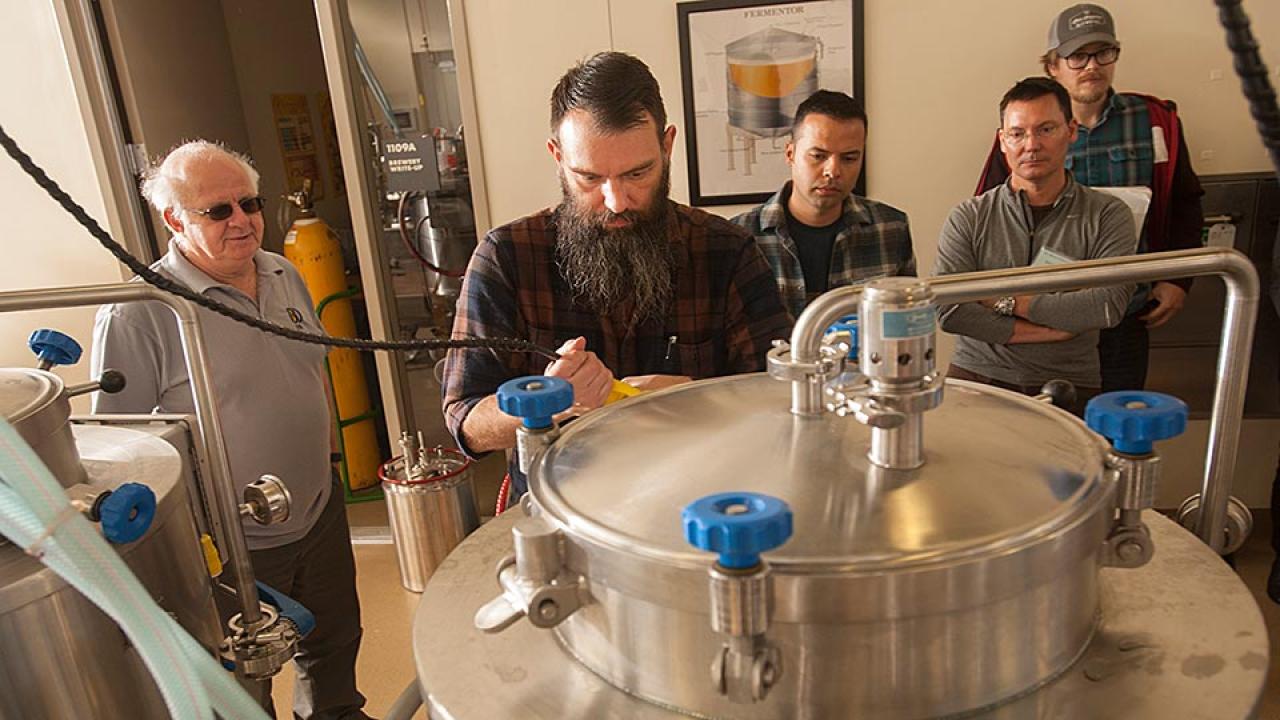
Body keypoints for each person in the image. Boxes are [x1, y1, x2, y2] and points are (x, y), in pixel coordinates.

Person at [90, 141, 372, 720]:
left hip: (318, 509)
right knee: (241, 680)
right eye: (218, 211)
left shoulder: (282, 271)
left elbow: (307, 375)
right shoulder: (142, 311)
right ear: (174, 219)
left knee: (335, 642)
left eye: (249, 203)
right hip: (225, 544)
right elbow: (116, 450)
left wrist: (330, 465)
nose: (241, 221)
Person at [440, 51, 792, 497]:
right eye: (588, 178)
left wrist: (698, 401)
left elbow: (785, 400)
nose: (616, 201)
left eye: (638, 173)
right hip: (558, 514)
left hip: (698, 505)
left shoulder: (728, 252)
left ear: (667, 146)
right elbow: (465, 421)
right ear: (557, 156)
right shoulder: (506, 257)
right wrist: (545, 401)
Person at [976, 3, 1205, 392]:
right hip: (1046, 311)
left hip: (1127, 308)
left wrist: (1178, 279)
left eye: (1103, 53)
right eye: (1077, 55)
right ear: (1053, 64)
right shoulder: (1025, 134)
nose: (1091, 66)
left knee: (1113, 428)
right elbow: (991, 212)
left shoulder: (1153, 121)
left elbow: (1185, 203)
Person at [934, 77, 1137, 417]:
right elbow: (949, 310)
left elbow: (1106, 306)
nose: (1031, 145)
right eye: (1018, 133)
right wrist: (1044, 331)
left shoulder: (1108, 215)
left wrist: (1001, 300)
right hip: (976, 378)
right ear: (1002, 141)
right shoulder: (969, 216)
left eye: (1046, 129)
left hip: (1070, 384)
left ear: (1071, 131)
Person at [731, 90, 916, 320]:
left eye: (849, 158)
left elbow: (908, 324)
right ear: (791, 154)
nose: (833, 171)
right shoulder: (739, 237)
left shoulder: (891, 228)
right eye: (818, 156)